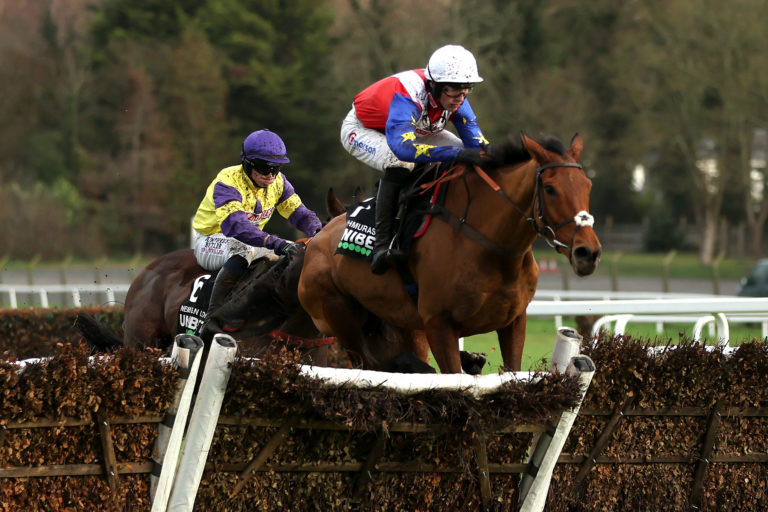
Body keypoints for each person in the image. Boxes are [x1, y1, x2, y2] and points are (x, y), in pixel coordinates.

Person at [340, 44, 489, 274]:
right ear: (433, 85)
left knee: (471, 156)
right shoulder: (408, 96)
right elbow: (403, 149)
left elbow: (478, 148)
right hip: (364, 129)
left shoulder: (453, 96)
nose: (460, 97)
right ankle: (381, 245)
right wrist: (458, 154)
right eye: (455, 90)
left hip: (414, 127)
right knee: (401, 163)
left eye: (467, 89)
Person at [192, 129, 322, 321]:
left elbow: (300, 213)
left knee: (297, 252)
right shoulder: (228, 181)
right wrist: (275, 242)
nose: (270, 174)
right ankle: (213, 318)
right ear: (247, 163)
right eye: (263, 167)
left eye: (276, 168)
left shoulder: (279, 182)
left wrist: (320, 232)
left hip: (252, 242)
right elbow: (235, 226)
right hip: (211, 240)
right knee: (243, 250)